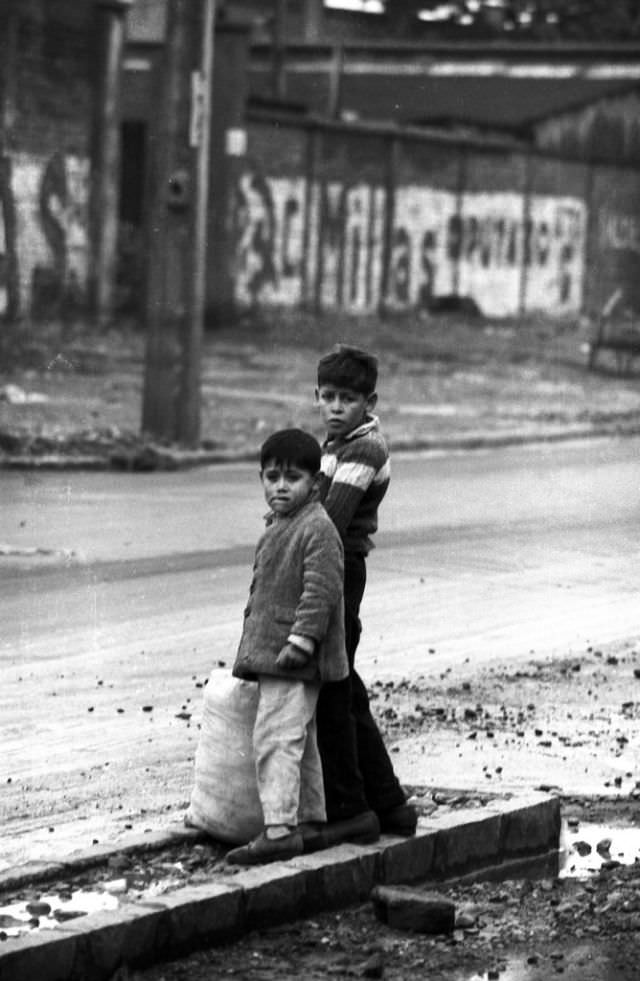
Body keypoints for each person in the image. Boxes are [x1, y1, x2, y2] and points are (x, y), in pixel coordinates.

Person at [226, 428, 348, 866]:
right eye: (272, 477)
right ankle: (311, 822)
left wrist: (302, 640)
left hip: (292, 657)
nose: (280, 486)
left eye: (292, 478)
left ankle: (279, 829)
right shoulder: (281, 525)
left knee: (275, 739)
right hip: (277, 655)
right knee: (301, 740)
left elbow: (322, 589)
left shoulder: (316, 528)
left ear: (314, 484)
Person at [314, 344, 418, 841]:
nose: (336, 406)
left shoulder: (363, 449)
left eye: (348, 399)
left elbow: (328, 521)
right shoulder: (336, 442)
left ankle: (353, 808)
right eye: (328, 396)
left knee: (337, 689)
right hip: (333, 566)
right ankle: (389, 805)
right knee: (345, 688)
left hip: (341, 569)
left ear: (369, 402)